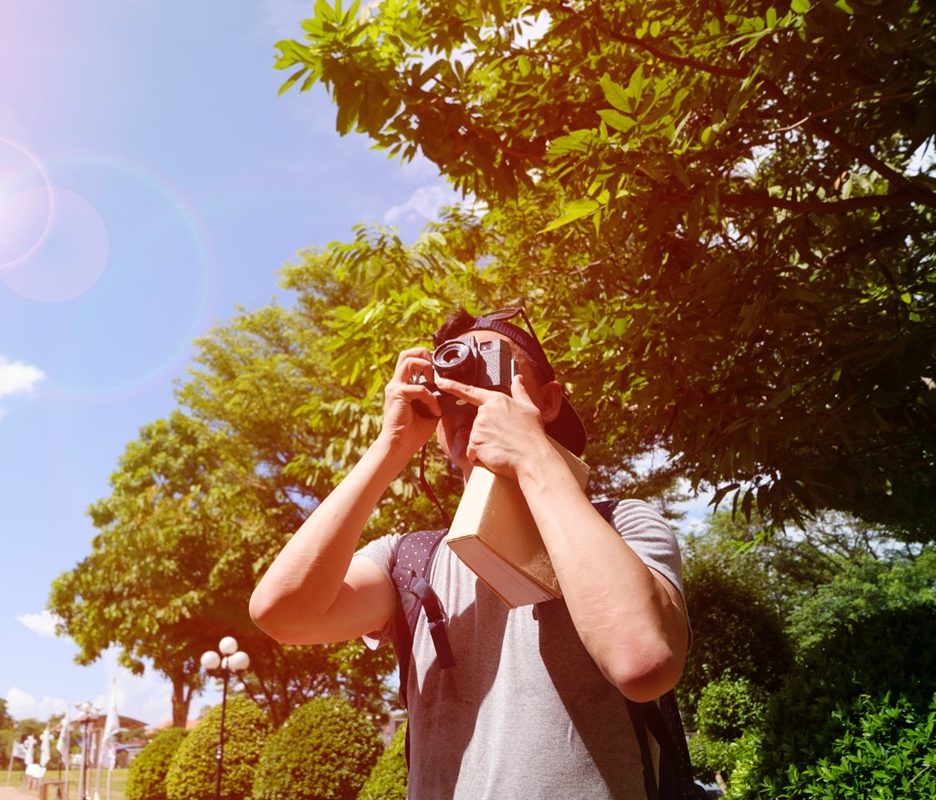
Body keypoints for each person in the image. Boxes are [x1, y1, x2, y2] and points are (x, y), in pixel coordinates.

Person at [249, 306, 691, 799]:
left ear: (548, 401)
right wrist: (390, 446)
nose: (468, 394)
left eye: (491, 371)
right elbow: (282, 613)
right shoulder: (408, 561)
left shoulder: (623, 524)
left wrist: (530, 453)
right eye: (453, 380)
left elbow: (642, 663)